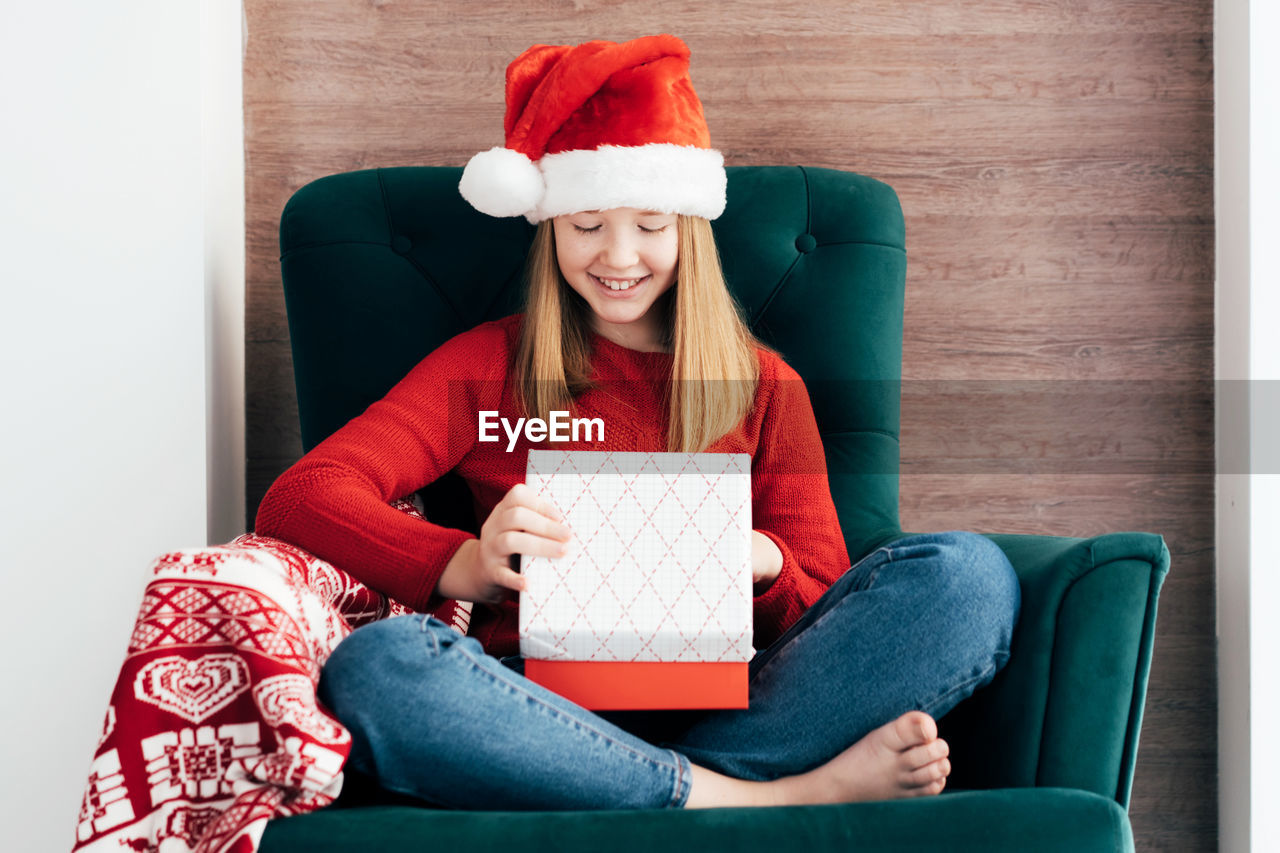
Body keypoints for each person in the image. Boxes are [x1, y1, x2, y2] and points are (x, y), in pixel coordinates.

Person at [254, 33, 1020, 812]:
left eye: (651, 226)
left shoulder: (763, 383)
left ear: (688, 229)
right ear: (550, 227)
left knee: (968, 576)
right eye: (586, 226)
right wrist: (467, 562)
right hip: (537, 704)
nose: (619, 256)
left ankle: (657, 784)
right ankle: (754, 800)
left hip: (741, 698)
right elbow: (303, 494)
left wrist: (761, 562)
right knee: (379, 666)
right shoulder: (486, 364)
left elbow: (825, 601)